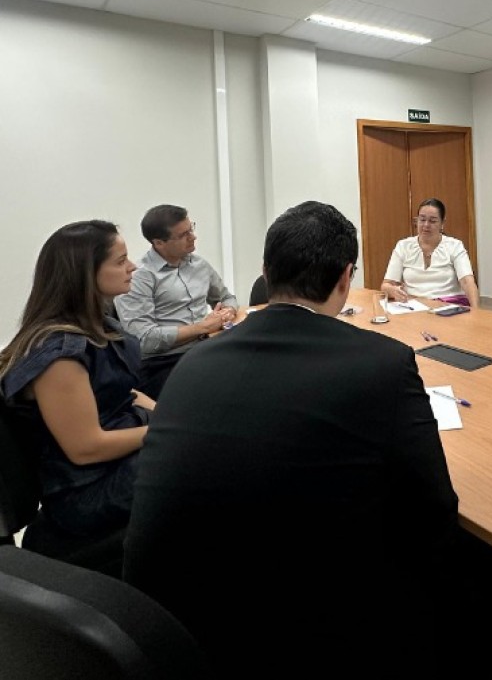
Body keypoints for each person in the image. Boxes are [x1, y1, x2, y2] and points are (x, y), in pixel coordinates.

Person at [123, 201, 460, 678]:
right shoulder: (383, 363)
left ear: (266, 273)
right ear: (345, 278)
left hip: (169, 630)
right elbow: (434, 509)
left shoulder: (193, 363)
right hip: (303, 636)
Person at [0, 221, 153, 538]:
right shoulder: (59, 355)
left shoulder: (100, 326)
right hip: (87, 490)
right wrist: (166, 432)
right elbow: (86, 448)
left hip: (115, 464)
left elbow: (126, 393)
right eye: (120, 261)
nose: (132, 266)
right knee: (198, 465)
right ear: (86, 273)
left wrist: (172, 416)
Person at [115, 204, 237, 398]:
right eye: (183, 235)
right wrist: (201, 328)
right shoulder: (140, 277)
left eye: (191, 229)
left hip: (205, 348)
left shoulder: (199, 265)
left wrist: (228, 311)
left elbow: (226, 298)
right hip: (163, 362)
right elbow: (144, 339)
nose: (193, 237)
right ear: (159, 243)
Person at [381, 197, 480, 307]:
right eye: (422, 219)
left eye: (432, 221)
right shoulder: (403, 246)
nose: (426, 225)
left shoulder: (455, 246)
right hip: (415, 306)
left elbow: (467, 281)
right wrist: (393, 291)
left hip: (449, 306)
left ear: (442, 223)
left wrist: (476, 312)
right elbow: (386, 285)